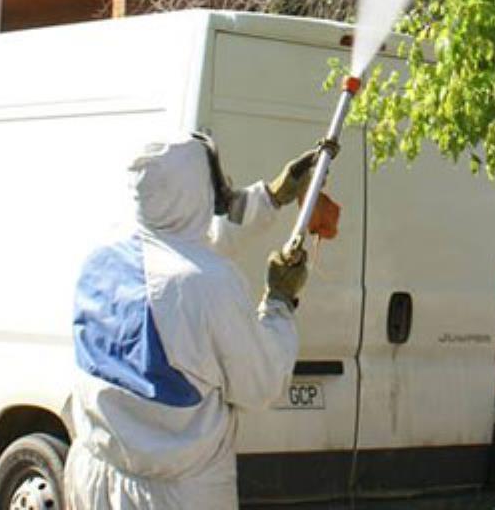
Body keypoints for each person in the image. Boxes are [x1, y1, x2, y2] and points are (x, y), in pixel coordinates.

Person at [64, 134, 331, 510]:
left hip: (93, 474)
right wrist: (280, 301)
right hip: (173, 495)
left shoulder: (104, 251)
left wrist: (272, 196)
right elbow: (262, 381)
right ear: (194, 193)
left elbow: (186, 247)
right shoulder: (206, 285)